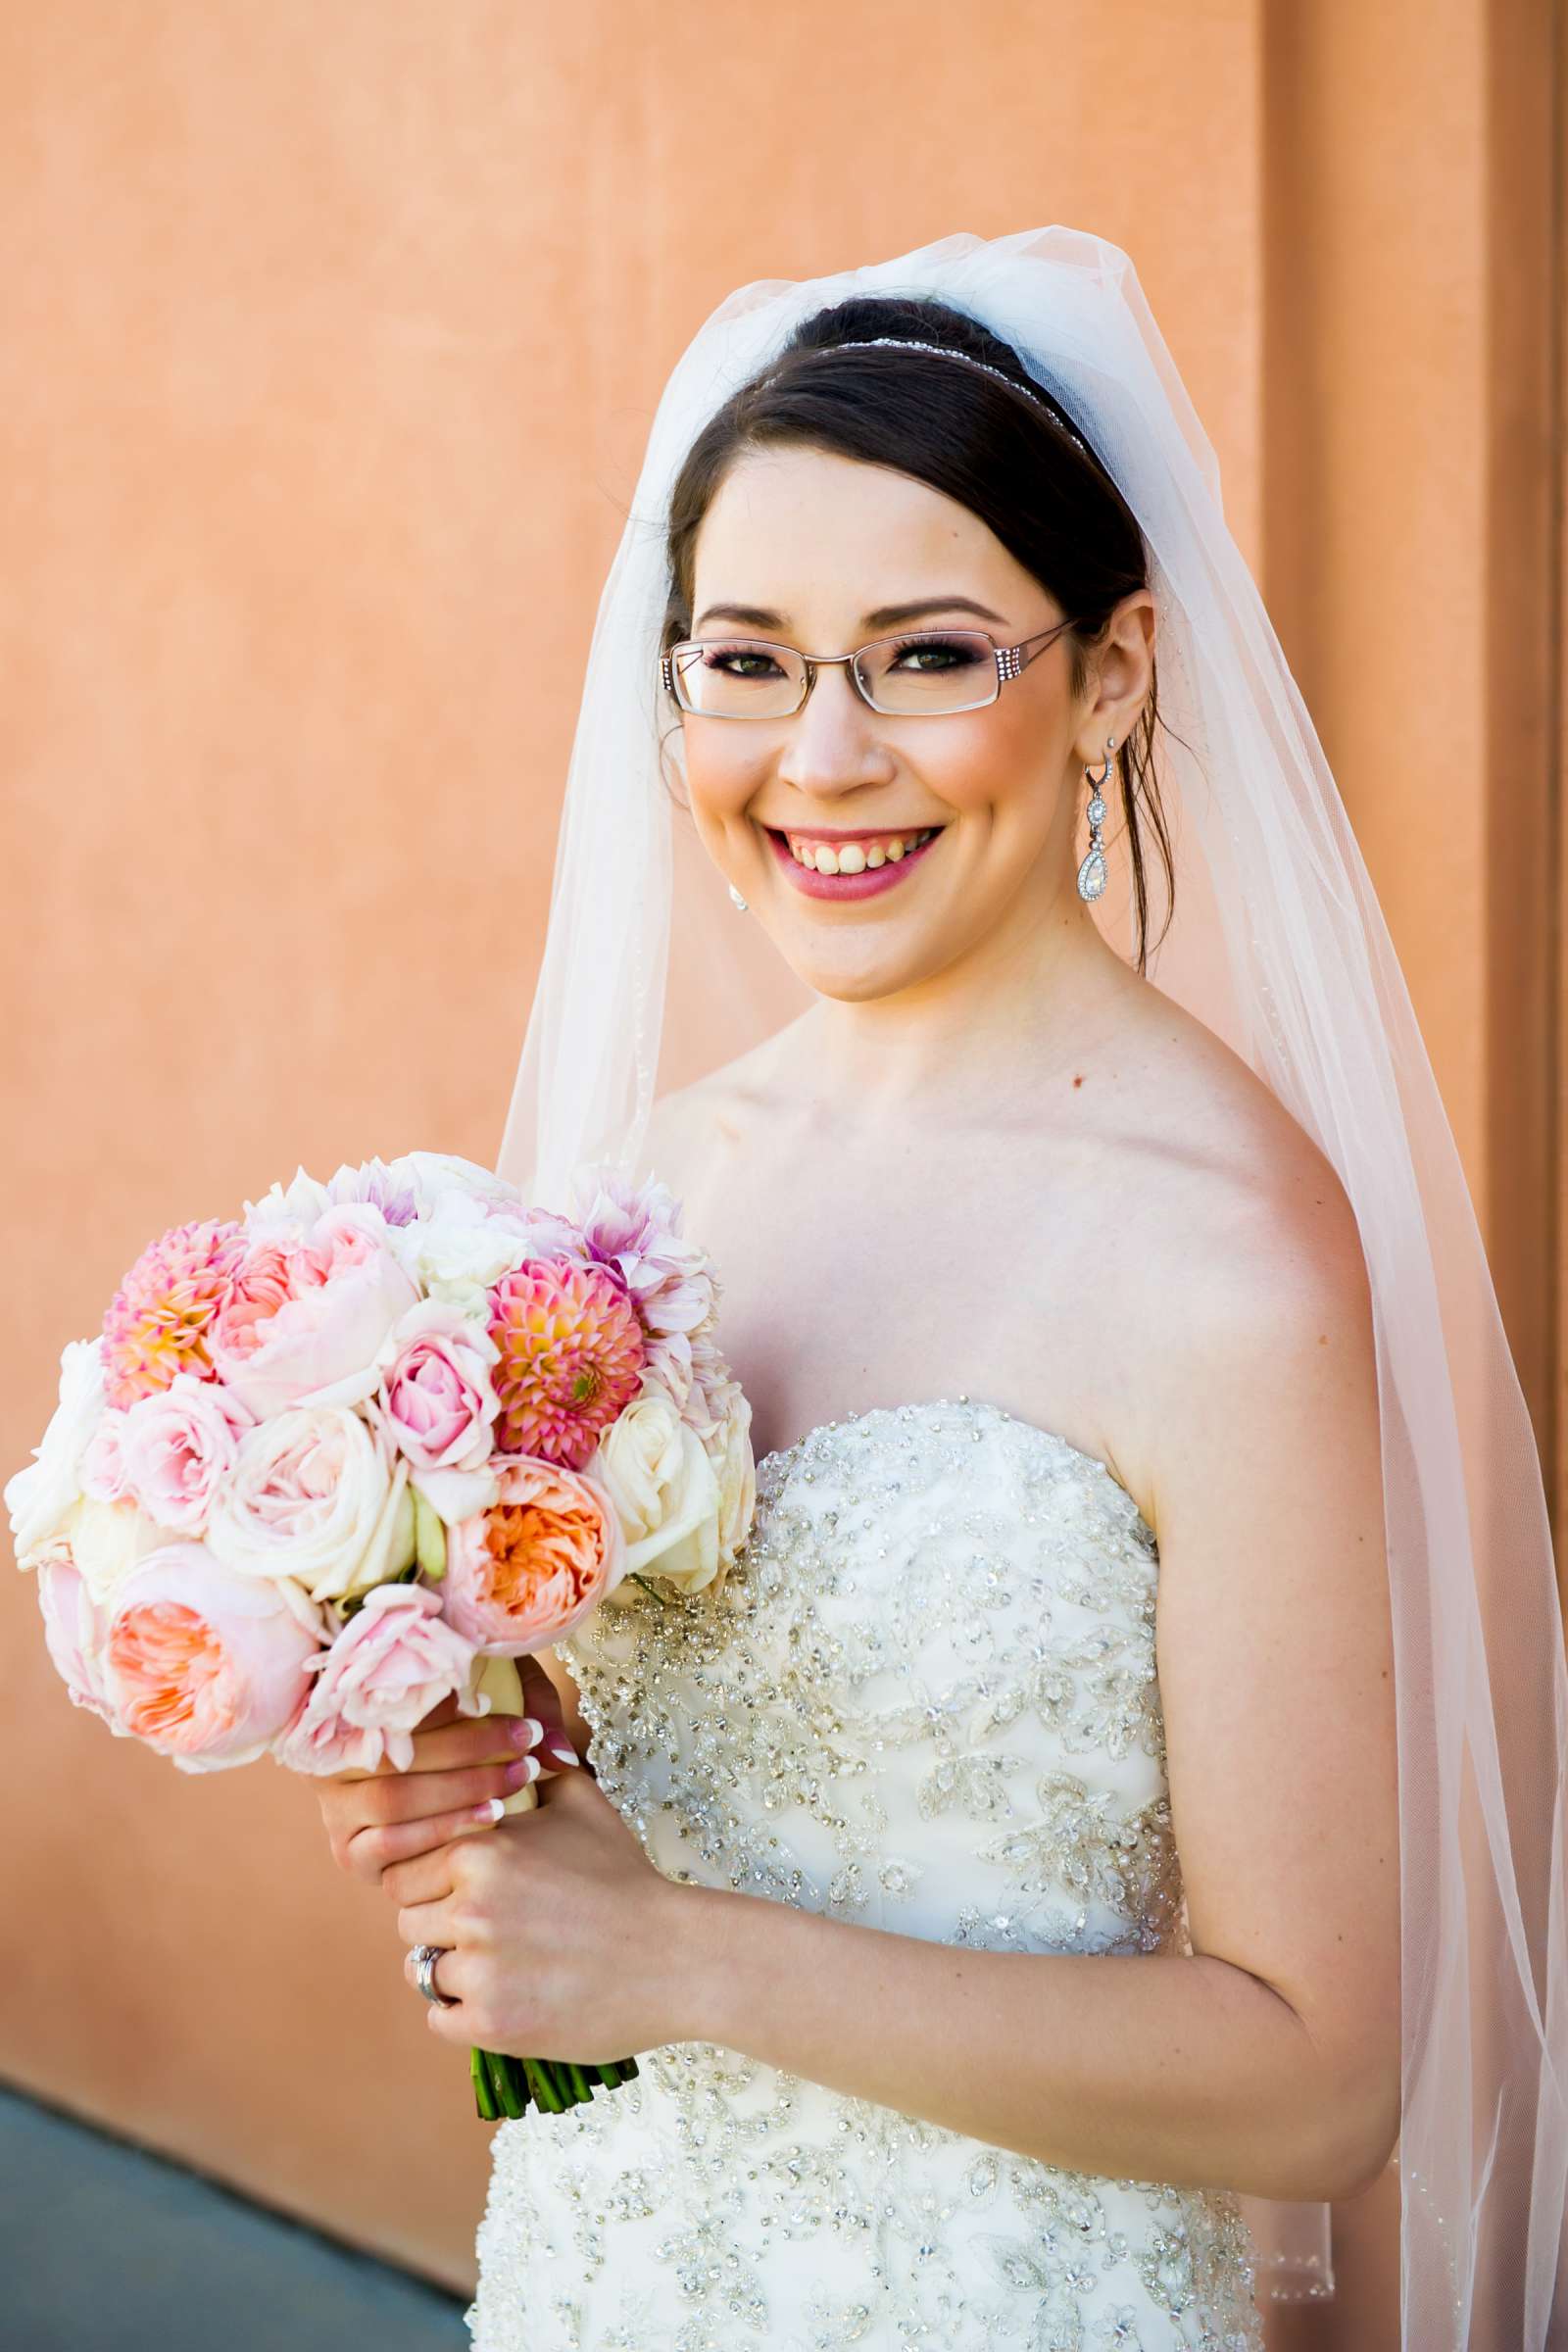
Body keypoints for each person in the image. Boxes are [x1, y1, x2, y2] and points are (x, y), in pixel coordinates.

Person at [315, 229, 1568, 2349]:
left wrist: (674, 1957)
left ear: (1111, 674)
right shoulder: (634, 1202)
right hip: (605, 2279)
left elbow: (1320, 2077)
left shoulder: (1220, 1254)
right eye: (745, 659)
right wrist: (466, 1805)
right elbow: (608, 1847)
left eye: (924, 655)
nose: (820, 757)